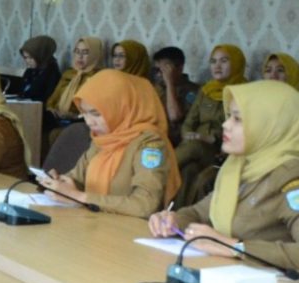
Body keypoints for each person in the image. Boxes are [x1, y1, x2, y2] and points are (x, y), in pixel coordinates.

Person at [147, 79, 299, 276]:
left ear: (269, 127)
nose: (225, 124)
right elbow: (198, 213)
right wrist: (173, 221)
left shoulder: (293, 182)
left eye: (237, 119)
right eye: (229, 116)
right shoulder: (239, 167)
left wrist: (235, 247)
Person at [39, 69, 179, 217]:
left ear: (122, 107)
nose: (89, 122)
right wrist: (58, 182)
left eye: (96, 114)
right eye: (84, 113)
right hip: (94, 221)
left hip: (127, 228)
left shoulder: (149, 144)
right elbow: (77, 178)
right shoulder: (105, 137)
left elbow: (145, 205)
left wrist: (81, 197)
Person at [174, 43, 246, 204]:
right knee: (189, 170)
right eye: (213, 61)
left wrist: (210, 137)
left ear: (236, 63)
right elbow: (188, 122)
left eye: (224, 61)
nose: (217, 66)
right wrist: (188, 135)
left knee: (193, 147)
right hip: (194, 146)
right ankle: (177, 214)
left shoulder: (243, 92)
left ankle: (161, 168)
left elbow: (242, 127)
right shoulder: (206, 90)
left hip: (219, 151)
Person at [46, 36, 105, 121]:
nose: (80, 56)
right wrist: (51, 109)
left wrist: (74, 116)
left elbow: (97, 110)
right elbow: (52, 99)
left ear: (94, 55)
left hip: (81, 122)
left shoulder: (99, 77)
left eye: (85, 53)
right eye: (77, 52)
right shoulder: (69, 73)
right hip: (58, 118)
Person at [152, 45, 198, 142]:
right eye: (157, 70)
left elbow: (175, 116)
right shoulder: (157, 87)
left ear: (180, 68)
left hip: (176, 140)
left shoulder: (193, 91)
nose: (160, 74)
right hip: (154, 137)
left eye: (165, 70)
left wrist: (169, 83)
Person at [15, 35, 60, 103]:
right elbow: (21, 93)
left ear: (41, 55)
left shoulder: (52, 74)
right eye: (25, 57)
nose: (27, 61)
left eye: (31, 57)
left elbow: (46, 101)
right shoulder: (30, 71)